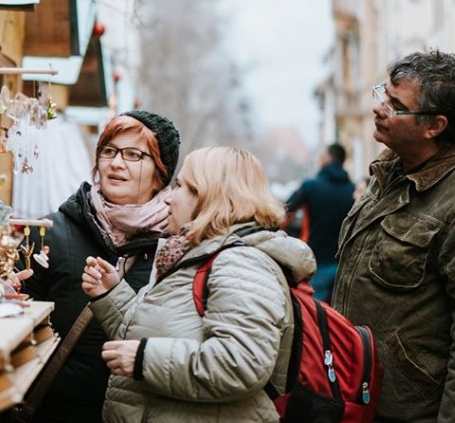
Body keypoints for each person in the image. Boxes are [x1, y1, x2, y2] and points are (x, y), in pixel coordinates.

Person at [332, 50, 455, 423]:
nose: (379, 108)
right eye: (384, 93)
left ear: (434, 125)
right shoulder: (392, 166)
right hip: (356, 396)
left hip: (408, 410)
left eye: (395, 105)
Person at [81, 146, 316, 422]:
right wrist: (112, 295)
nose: (168, 198)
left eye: (180, 186)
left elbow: (241, 363)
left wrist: (145, 359)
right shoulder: (194, 255)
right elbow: (157, 334)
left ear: (210, 197)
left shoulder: (240, 263)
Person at [20, 110, 180, 422]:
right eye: (108, 151)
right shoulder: (49, 231)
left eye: (133, 154)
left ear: (161, 174)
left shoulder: (174, 248)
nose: (116, 163)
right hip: (47, 410)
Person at [286, 142, 355, 302]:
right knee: (341, 318)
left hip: (316, 261)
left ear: (326, 159)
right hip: (345, 265)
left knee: (315, 317)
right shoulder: (353, 190)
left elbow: (283, 214)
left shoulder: (310, 187)